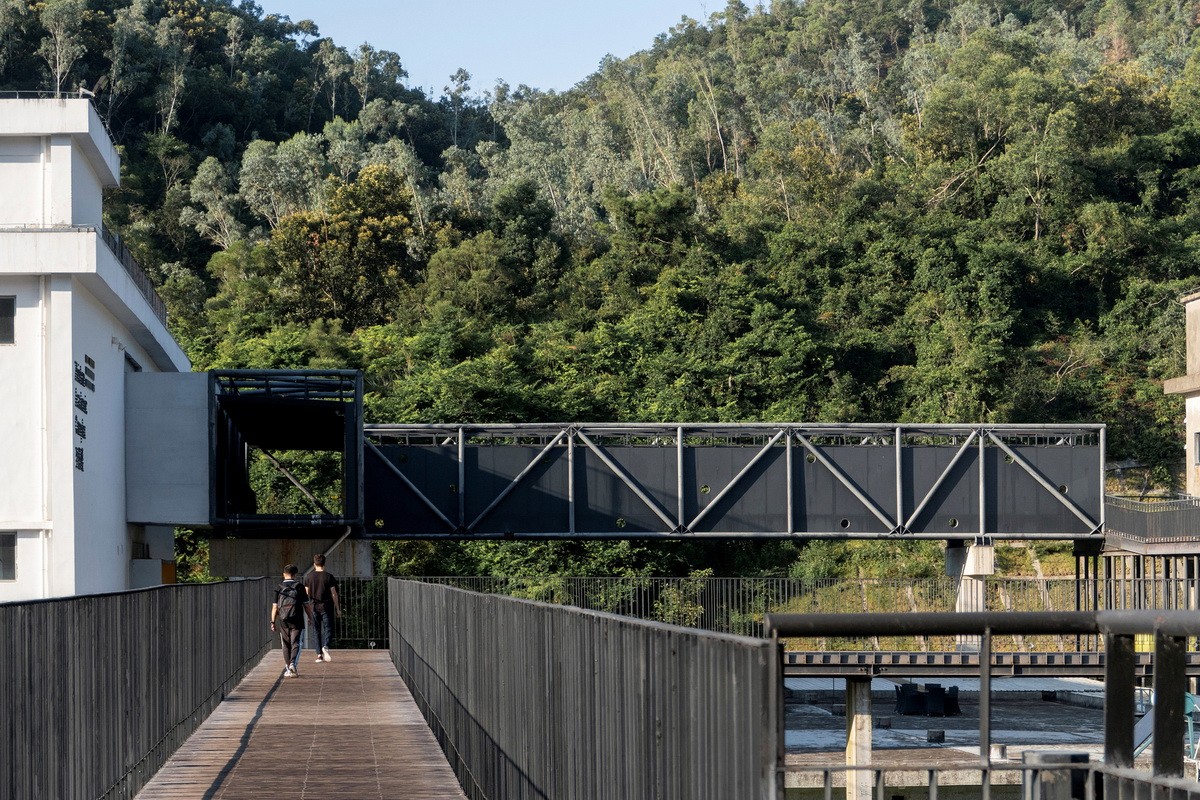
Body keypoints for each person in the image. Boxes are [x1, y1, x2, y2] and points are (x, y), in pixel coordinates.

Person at [270, 564, 314, 677]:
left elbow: (275, 607)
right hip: (297, 618)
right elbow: (306, 605)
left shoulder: (278, 587)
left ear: (283, 574)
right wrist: (310, 617)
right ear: (295, 575)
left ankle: (288, 668)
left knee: (285, 644)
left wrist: (273, 622)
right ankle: (293, 664)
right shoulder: (299, 587)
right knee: (296, 643)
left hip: (283, 619)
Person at [304, 553, 341, 662]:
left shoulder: (308, 577)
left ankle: (319, 655)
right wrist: (338, 608)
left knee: (316, 630)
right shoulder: (329, 577)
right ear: (324, 564)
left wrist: (309, 609)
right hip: (327, 606)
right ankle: (325, 646)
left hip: (314, 606)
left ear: (314, 564)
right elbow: (334, 593)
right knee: (328, 627)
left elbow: (307, 593)